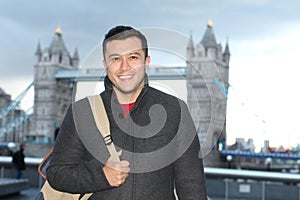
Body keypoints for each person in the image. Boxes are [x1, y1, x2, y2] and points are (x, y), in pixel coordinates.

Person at [47, 25, 207, 199]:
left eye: (133, 57)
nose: (124, 67)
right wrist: (100, 176)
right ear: (105, 65)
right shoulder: (82, 112)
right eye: (115, 59)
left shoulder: (175, 110)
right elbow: (56, 174)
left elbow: (192, 186)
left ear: (147, 61)